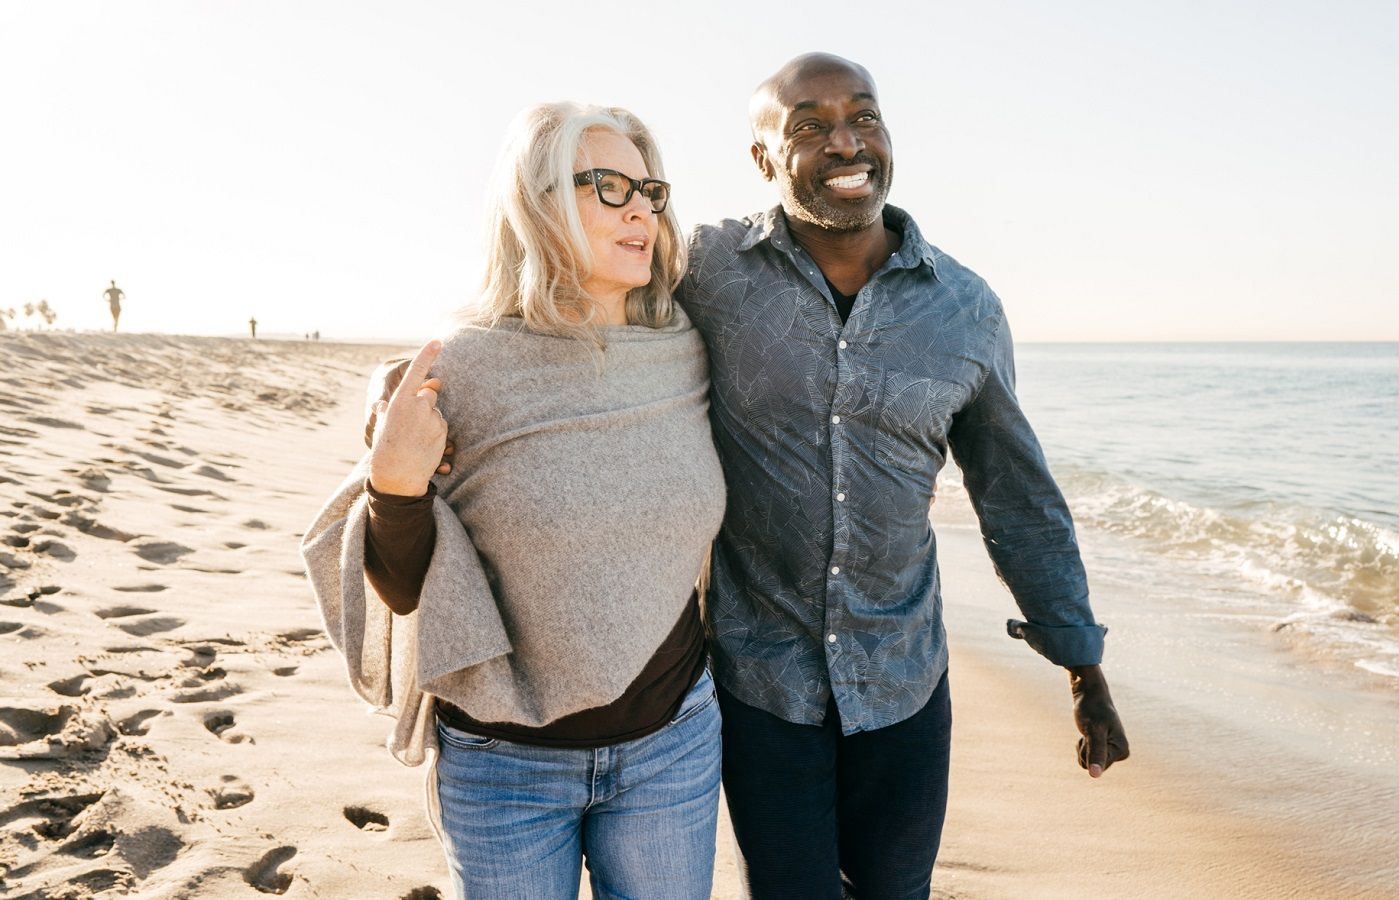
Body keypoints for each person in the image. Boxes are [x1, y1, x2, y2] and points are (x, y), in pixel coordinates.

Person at [675, 53, 1131, 899]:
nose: (846, 144)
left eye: (865, 118)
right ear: (763, 158)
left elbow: (1015, 494)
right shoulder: (705, 271)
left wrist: (1081, 664)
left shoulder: (964, 306)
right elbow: (579, 316)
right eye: (808, 126)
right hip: (760, 678)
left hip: (904, 680)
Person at [302, 102, 726, 899]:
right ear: (536, 205)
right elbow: (406, 593)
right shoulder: (466, 371)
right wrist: (392, 484)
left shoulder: (688, 351)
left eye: (650, 189)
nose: (640, 207)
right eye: (607, 185)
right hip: (504, 765)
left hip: (674, 742)